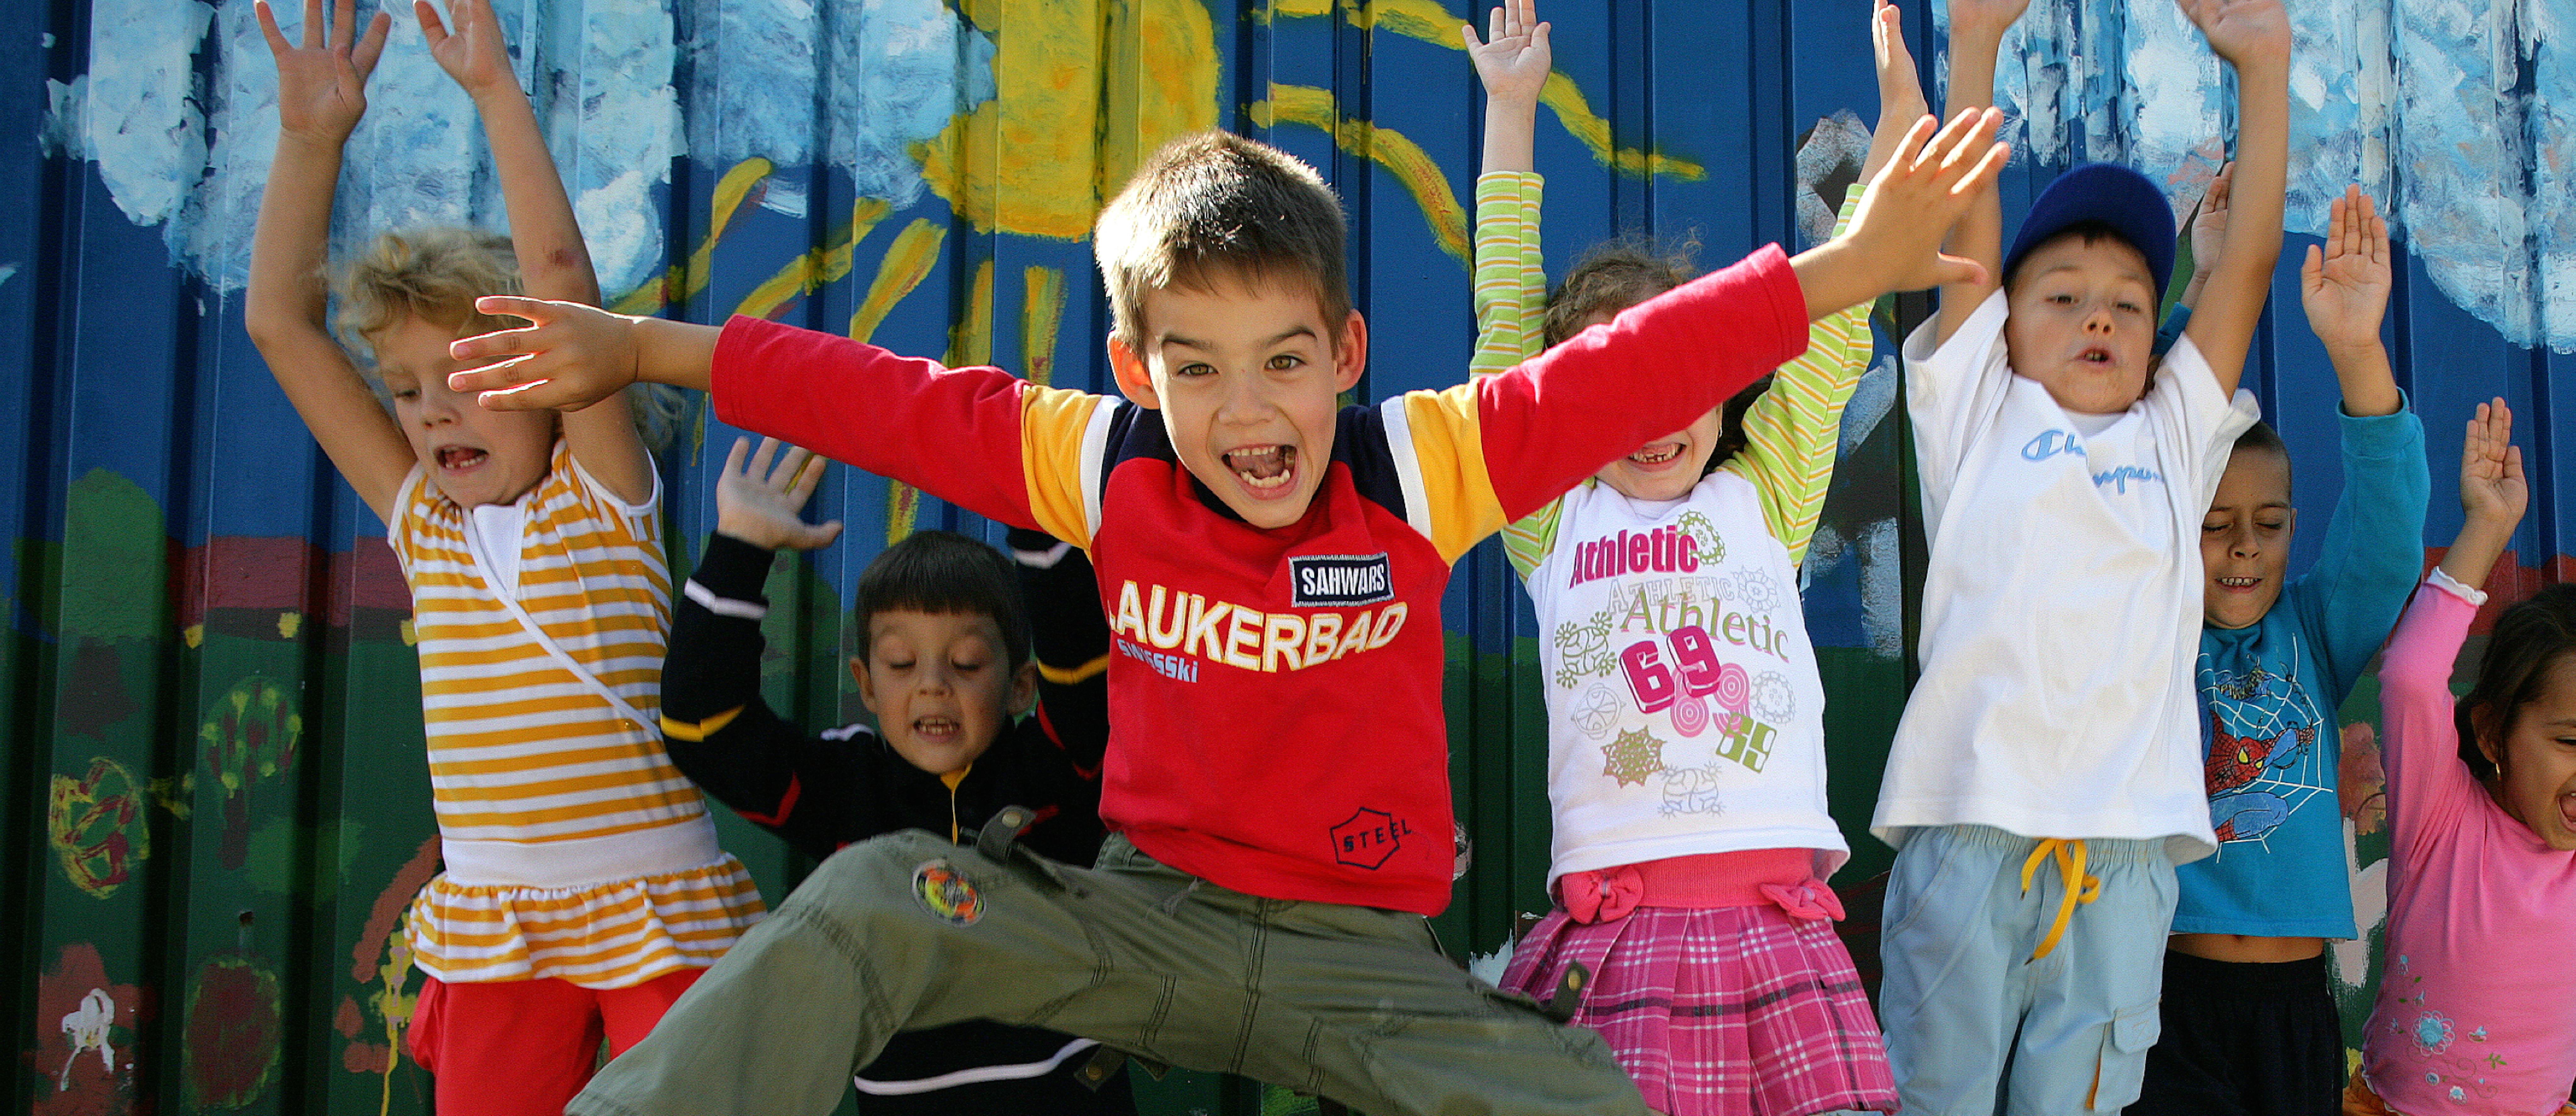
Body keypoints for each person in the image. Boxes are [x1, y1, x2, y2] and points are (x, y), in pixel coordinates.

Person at [436, 109, 2010, 1116]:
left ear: (1345, 350)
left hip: (1361, 964)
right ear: (1140, 371)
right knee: (867, 902)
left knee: (1587, 1104)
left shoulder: (1424, 465)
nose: (1250, 411)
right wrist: (641, 348)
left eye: (1283, 360)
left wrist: (1837, 272)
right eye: (1197, 364)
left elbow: (1620, 372)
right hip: (1141, 922)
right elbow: (890, 400)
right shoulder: (1104, 459)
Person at [240, 0, 758, 1111]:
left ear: (548, 372)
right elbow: (280, 325)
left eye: (470, 382)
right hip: (499, 925)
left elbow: (565, 288)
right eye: (409, 393)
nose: (433, 416)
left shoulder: (604, 498)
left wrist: (494, 90)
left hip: (654, 906)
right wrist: (308, 139)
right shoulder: (426, 525)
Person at [1460, 0, 1917, 1114]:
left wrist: (1902, 113)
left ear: (1722, 395)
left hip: (1774, 932)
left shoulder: (1765, 497)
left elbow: (1846, 306)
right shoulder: (1554, 519)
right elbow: (1505, 333)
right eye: (1615, 392)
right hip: (1622, 941)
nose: (1654, 417)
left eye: (1679, 384)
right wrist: (1511, 113)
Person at [1867, 0, 2290, 1111]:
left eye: (2127, 303)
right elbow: (1964, 241)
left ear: (2158, 341)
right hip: (1970, 836)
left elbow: (2242, 269)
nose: (2098, 317)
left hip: (2123, 860)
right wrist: (1977, 43)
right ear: (2004, 322)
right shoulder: (1978, 412)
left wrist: (2264, 67)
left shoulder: (2173, 434)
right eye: (2061, 296)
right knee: (1932, 1098)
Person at [657, 437, 1132, 1114]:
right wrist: (741, 547)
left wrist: (1033, 506)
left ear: (1022, 685)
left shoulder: (1056, 771)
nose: (933, 686)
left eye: (967, 664)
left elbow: (1085, 676)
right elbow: (703, 729)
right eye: (902, 665)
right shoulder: (846, 787)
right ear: (866, 686)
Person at [2133, 187, 2427, 1116]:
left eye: (2267, 523)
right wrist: (2210, 282)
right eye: (2217, 525)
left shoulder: (2314, 628)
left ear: (2296, 528)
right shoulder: (2148, 627)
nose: (2245, 546)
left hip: (2299, 1003)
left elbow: (2385, 544)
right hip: (2170, 988)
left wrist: (2357, 351)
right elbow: (2145, 440)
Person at [2351, 400, 2576, 1116]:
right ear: (2490, 735)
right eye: (2569, 741)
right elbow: (2412, 676)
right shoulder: (2442, 820)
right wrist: (2486, 530)